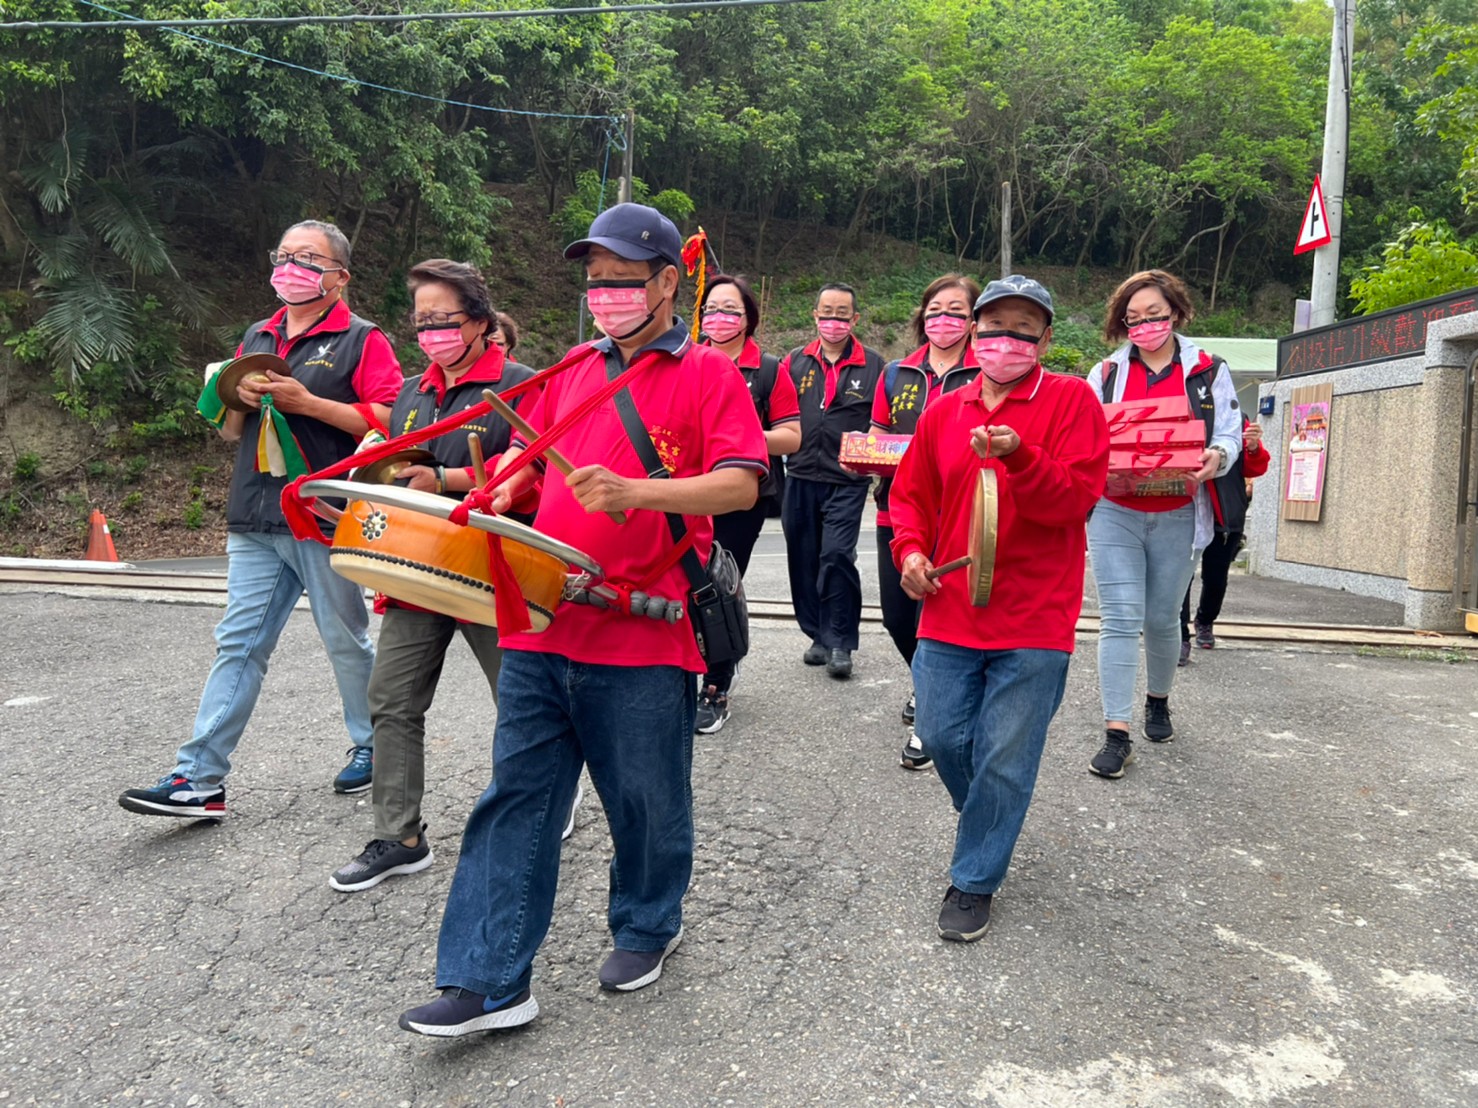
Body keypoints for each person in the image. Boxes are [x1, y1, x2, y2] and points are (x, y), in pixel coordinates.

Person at [398, 203, 768, 1038]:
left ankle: (648, 923)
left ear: (668, 282)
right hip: (540, 621)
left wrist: (639, 491)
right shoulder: (572, 367)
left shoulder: (708, 373)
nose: (604, 296)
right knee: (515, 798)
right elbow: (526, 465)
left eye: (622, 281)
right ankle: (488, 981)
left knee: (644, 798)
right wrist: (499, 489)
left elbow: (743, 483)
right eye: (595, 282)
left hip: (644, 626)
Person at [118, 220, 403, 819]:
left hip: (324, 511)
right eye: (285, 255)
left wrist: (310, 403)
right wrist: (238, 397)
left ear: (340, 276)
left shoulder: (362, 339)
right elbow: (230, 424)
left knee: (344, 639)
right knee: (238, 644)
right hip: (254, 511)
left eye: (309, 258)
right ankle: (199, 779)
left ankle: (377, 745)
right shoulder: (259, 333)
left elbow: (391, 420)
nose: (292, 267)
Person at [328, 259, 570, 893]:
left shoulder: (523, 385)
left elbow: (528, 467)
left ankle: (542, 804)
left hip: (492, 570)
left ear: (482, 322)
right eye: (421, 322)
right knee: (391, 699)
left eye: (444, 319)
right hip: (413, 566)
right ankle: (398, 836)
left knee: (519, 700)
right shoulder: (412, 393)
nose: (431, 332)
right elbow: (387, 462)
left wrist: (445, 480)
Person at [889, 275, 1108, 941]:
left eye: (1022, 330)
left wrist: (1021, 457)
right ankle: (989, 819)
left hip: (1036, 615)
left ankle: (974, 878)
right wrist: (910, 552)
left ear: (1045, 338)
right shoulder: (943, 411)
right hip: (950, 605)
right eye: (994, 328)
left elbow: (1074, 500)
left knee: (1006, 757)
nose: (1005, 340)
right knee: (943, 736)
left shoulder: (1071, 400)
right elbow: (911, 497)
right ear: (974, 332)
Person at [1084, 269, 1241, 780]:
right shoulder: (1106, 374)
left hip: (1179, 510)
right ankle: (1117, 731)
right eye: (1133, 318)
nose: (1145, 325)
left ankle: (1158, 699)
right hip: (1116, 510)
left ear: (1175, 310)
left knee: (1161, 617)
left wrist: (1218, 456)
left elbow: (1230, 432)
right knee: (1119, 617)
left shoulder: (1207, 370)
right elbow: (1085, 436)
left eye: (1154, 314)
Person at [868, 273, 981, 770]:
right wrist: (869, 454)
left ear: (973, 321)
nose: (943, 320)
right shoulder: (897, 373)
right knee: (897, 616)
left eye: (956, 311)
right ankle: (927, 683)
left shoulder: (985, 373)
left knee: (935, 619)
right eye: (935, 310)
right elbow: (876, 434)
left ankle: (931, 717)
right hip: (897, 510)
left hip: (957, 517)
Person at [693, 273, 801, 733]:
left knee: (717, 587)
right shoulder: (685, 360)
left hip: (741, 497)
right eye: (711, 309)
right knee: (678, 586)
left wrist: (739, 435)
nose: (719, 317)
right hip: (683, 490)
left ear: (747, 318)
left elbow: (792, 437)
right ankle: (681, 670)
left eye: (730, 310)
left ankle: (717, 682)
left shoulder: (769, 370)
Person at [780, 283, 887, 679]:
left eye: (842, 314)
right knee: (803, 557)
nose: (833, 320)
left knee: (838, 555)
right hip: (800, 474)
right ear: (815, 315)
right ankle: (817, 635)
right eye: (827, 313)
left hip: (847, 479)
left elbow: (883, 421)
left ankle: (841, 640)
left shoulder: (875, 366)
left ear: (854, 319)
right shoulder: (794, 361)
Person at [1178, 416, 1270, 663]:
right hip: (1184, 511)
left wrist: (1253, 447)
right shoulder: (1181, 412)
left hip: (1225, 513)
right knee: (1180, 578)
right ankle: (1180, 636)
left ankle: (1205, 621)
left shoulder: (1235, 418)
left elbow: (1254, 469)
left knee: (1216, 579)